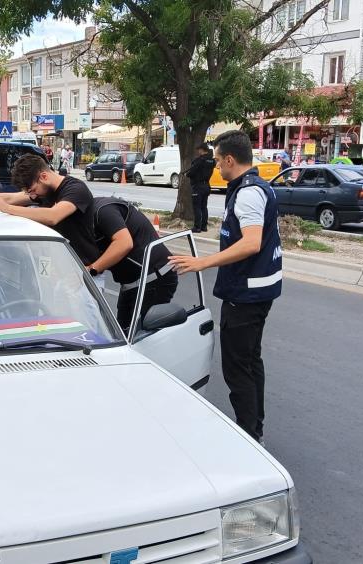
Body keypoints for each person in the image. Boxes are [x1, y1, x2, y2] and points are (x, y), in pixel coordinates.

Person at [168, 130, 282, 444]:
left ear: (230, 159)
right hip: (259, 290)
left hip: (247, 294)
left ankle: (249, 436)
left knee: (238, 369)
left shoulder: (247, 192)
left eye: (218, 161)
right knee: (250, 362)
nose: (217, 166)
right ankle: (254, 427)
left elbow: (251, 243)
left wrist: (201, 262)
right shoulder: (258, 186)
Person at [0, 154, 99, 266]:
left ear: (43, 176)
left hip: (84, 269)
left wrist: (8, 209)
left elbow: (53, 216)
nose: (31, 195)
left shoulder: (75, 189)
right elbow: (6, 198)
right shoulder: (43, 190)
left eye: (31, 190)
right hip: (61, 266)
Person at [86, 197, 177, 332]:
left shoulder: (103, 210)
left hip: (154, 277)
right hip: (130, 283)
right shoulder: (83, 219)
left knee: (142, 337)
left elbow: (124, 243)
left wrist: (92, 270)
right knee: (122, 333)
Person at [185, 144, 216, 233]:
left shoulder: (199, 160)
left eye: (199, 150)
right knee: (204, 207)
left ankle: (197, 227)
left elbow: (192, 172)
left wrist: (186, 174)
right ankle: (204, 227)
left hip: (198, 186)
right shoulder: (212, 161)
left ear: (202, 150)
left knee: (197, 207)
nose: (198, 151)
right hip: (206, 185)